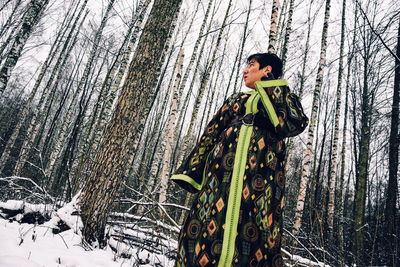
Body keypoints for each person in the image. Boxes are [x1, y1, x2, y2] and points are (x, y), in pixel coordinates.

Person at [171, 53, 309, 267]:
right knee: (204, 230)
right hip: (219, 180)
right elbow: (211, 132)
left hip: (262, 186)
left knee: (255, 236)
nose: (245, 70)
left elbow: (294, 124)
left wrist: (270, 86)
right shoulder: (235, 100)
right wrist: (192, 171)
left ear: (267, 69)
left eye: (251, 65)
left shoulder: (286, 100)